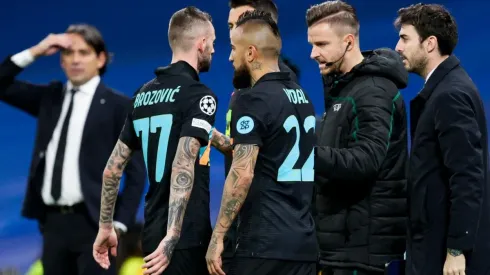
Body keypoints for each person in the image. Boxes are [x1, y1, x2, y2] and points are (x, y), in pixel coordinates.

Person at [0, 24, 146, 275]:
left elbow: (136, 173)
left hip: (96, 224)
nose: (75, 59)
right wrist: (37, 50)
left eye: (84, 52)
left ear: (100, 58)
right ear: (60, 60)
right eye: (68, 53)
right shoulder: (51, 98)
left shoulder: (118, 107)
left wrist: (120, 226)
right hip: (53, 225)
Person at [92, 6, 217, 275]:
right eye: (214, 43)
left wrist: (105, 227)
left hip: (151, 232)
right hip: (184, 237)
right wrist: (173, 237)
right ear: (202, 43)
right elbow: (183, 165)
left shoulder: (142, 95)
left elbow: (112, 169)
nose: (214, 51)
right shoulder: (199, 95)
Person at [206, 10, 317, 275]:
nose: (230, 57)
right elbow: (273, 152)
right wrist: (214, 137)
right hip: (303, 246)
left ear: (251, 53)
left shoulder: (252, 99)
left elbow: (243, 173)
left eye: (234, 49)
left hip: (263, 247)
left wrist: (218, 236)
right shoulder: (301, 97)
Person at [306, 1, 409, 274]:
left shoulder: (374, 91)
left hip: (364, 256)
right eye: (312, 44)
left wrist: (302, 152)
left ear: (348, 42)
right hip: (340, 248)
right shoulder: (345, 87)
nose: (313, 53)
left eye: (321, 44)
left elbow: (365, 161)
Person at [394, 4, 490, 275]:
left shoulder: (450, 95)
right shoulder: (445, 89)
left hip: (443, 257)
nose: (398, 47)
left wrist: (457, 250)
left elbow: (467, 177)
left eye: (404, 38)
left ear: (430, 44)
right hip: (432, 248)